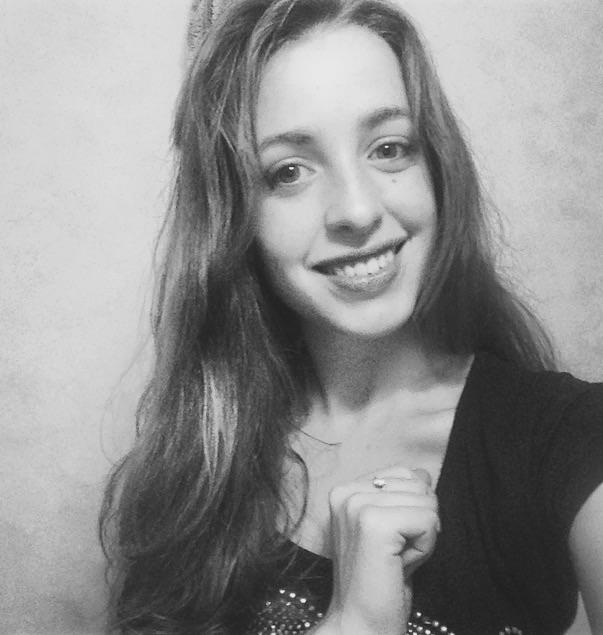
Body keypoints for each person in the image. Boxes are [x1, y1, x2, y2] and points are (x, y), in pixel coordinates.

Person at [99, 0, 603, 633]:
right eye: (289, 171)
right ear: (233, 219)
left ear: (436, 167)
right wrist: (356, 622)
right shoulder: (194, 462)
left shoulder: (564, 436)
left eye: (389, 148)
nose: (358, 210)